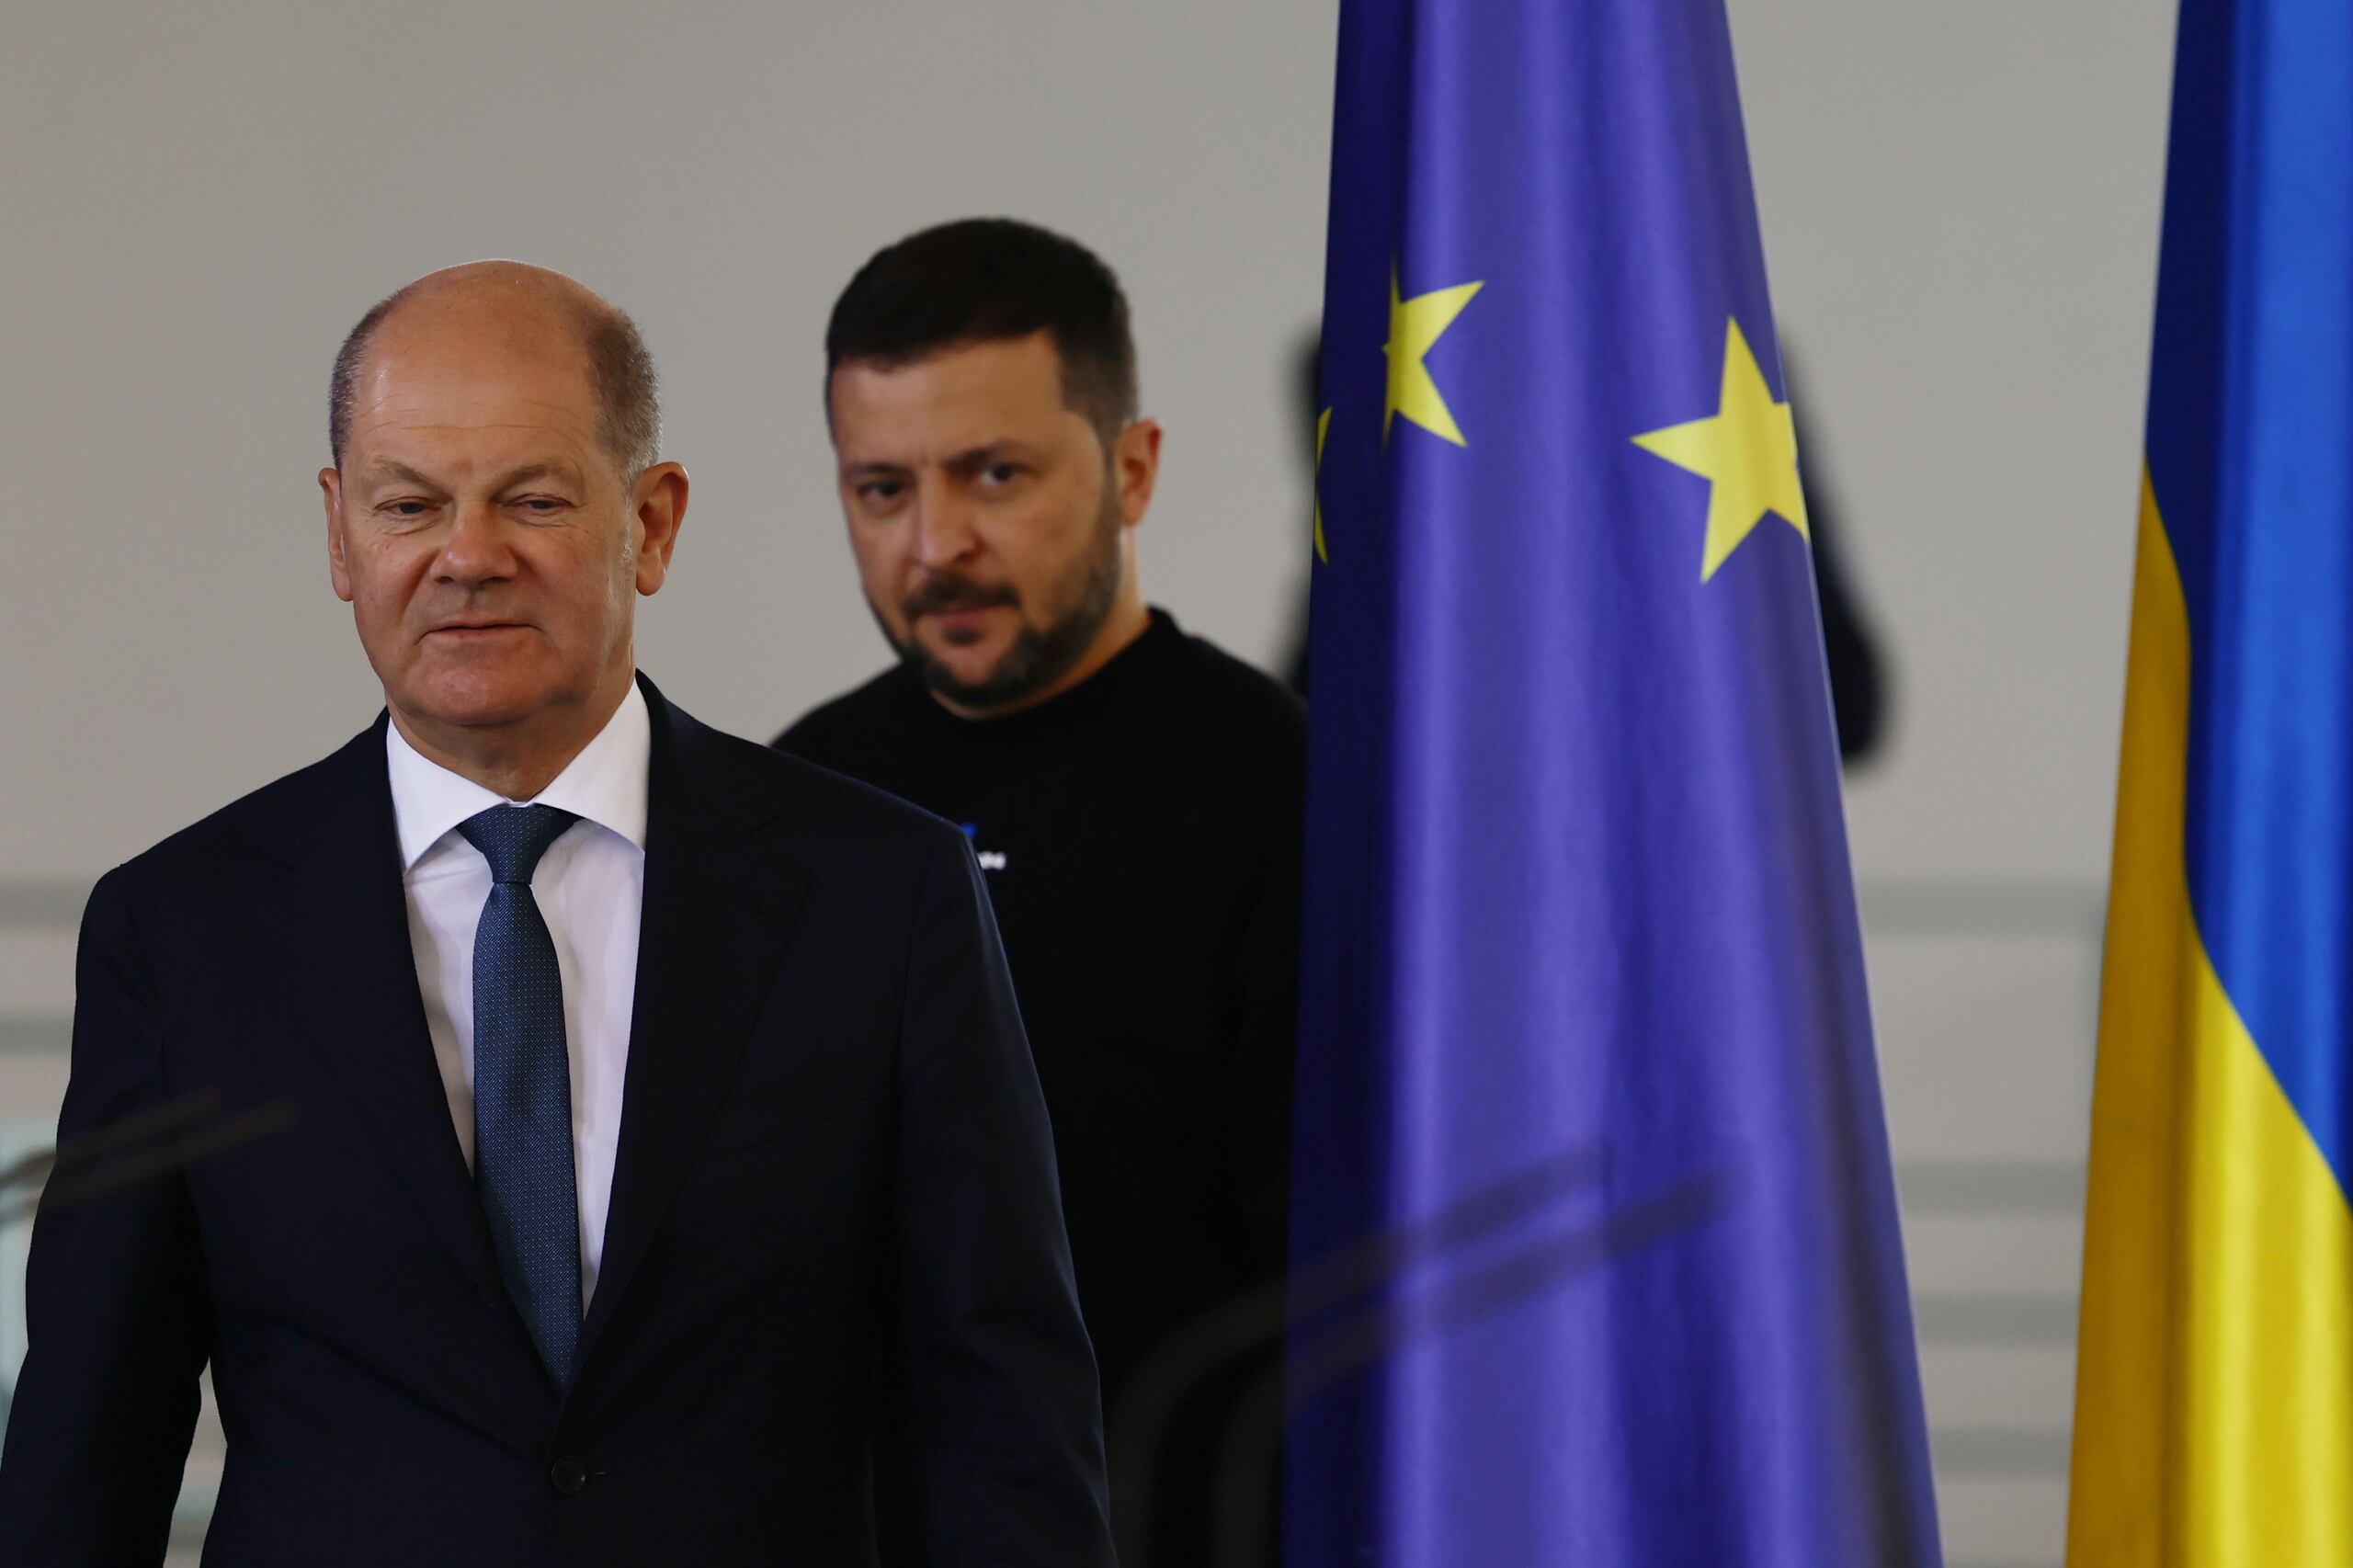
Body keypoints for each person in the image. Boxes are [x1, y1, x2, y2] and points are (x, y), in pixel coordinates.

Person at [0, 261, 1115, 1567]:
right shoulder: (182, 933)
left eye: (531, 499)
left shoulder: (884, 896)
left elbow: (1004, 1428)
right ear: (340, 532)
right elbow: (87, 1453)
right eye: (409, 503)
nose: (467, 556)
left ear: (652, 520)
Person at [777, 218, 1304, 1567]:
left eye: (993, 474)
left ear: (1133, 470)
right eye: (881, 489)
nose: (936, 544)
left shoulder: (1288, 796)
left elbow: (1345, 1308)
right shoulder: (793, 801)